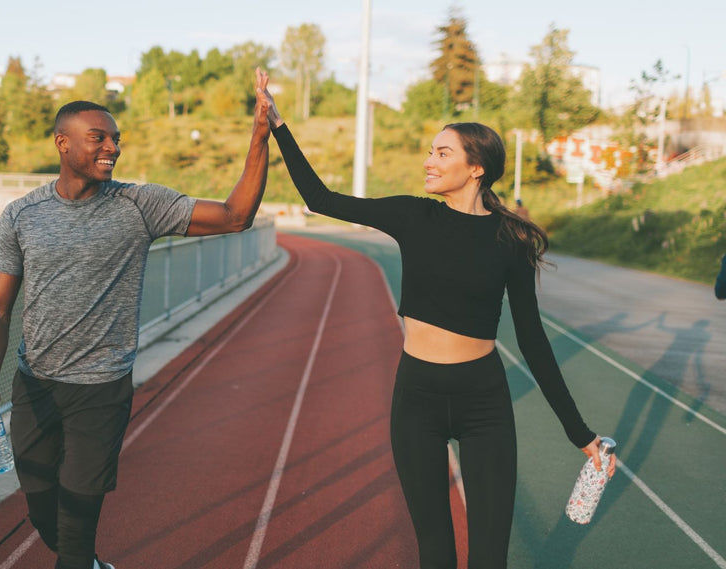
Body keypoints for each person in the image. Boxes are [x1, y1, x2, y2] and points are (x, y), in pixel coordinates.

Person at [260, 85, 615, 568]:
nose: (429, 160)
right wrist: (278, 124)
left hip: (484, 402)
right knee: (437, 554)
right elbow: (320, 198)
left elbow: (533, 342)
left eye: (442, 152)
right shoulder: (413, 214)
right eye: (430, 151)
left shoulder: (509, 239)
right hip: (417, 400)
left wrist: (581, 434)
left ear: (476, 167)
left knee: (489, 558)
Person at [0, 69, 272, 569]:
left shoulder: (140, 205)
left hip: (101, 390)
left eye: (116, 139)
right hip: (35, 386)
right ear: (63, 144)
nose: (112, 147)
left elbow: (236, 216)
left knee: (76, 525)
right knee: (43, 509)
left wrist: (259, 136)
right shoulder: (22, 215)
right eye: (99, 138)